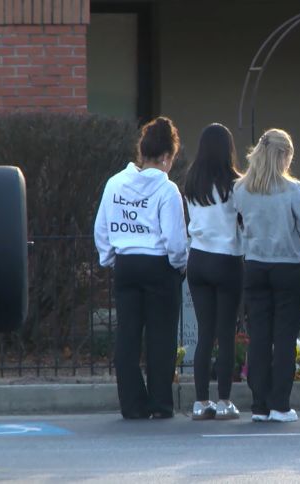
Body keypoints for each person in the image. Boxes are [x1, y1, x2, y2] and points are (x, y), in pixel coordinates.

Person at [94, 116, 187, 419]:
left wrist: (110, 258)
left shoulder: (115, 183)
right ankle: (160, 404)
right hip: (159, 265)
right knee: (161, 338)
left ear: (142, 152)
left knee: (128, 336)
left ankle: (132, 405)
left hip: (126, 264)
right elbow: (175, 240)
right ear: (166, 156)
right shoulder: (167, 190)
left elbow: (102, 228)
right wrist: (179, 265)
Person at [233, 128, 300, 423]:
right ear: (284, 155)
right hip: (289, 266)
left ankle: (259, 405)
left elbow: (238, 224)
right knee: (284, 337)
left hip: (255, 265)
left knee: (258, 337)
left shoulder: (241, 189)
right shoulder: (293, 189)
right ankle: (280, 404)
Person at [184, 123, 244, 421]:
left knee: (204, 334)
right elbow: (243, 222)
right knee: (226, 334)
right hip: (227, 259)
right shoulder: (236, 184)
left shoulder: (191, 181)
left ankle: (200, 402)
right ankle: (224, 401)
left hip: (197, 258)